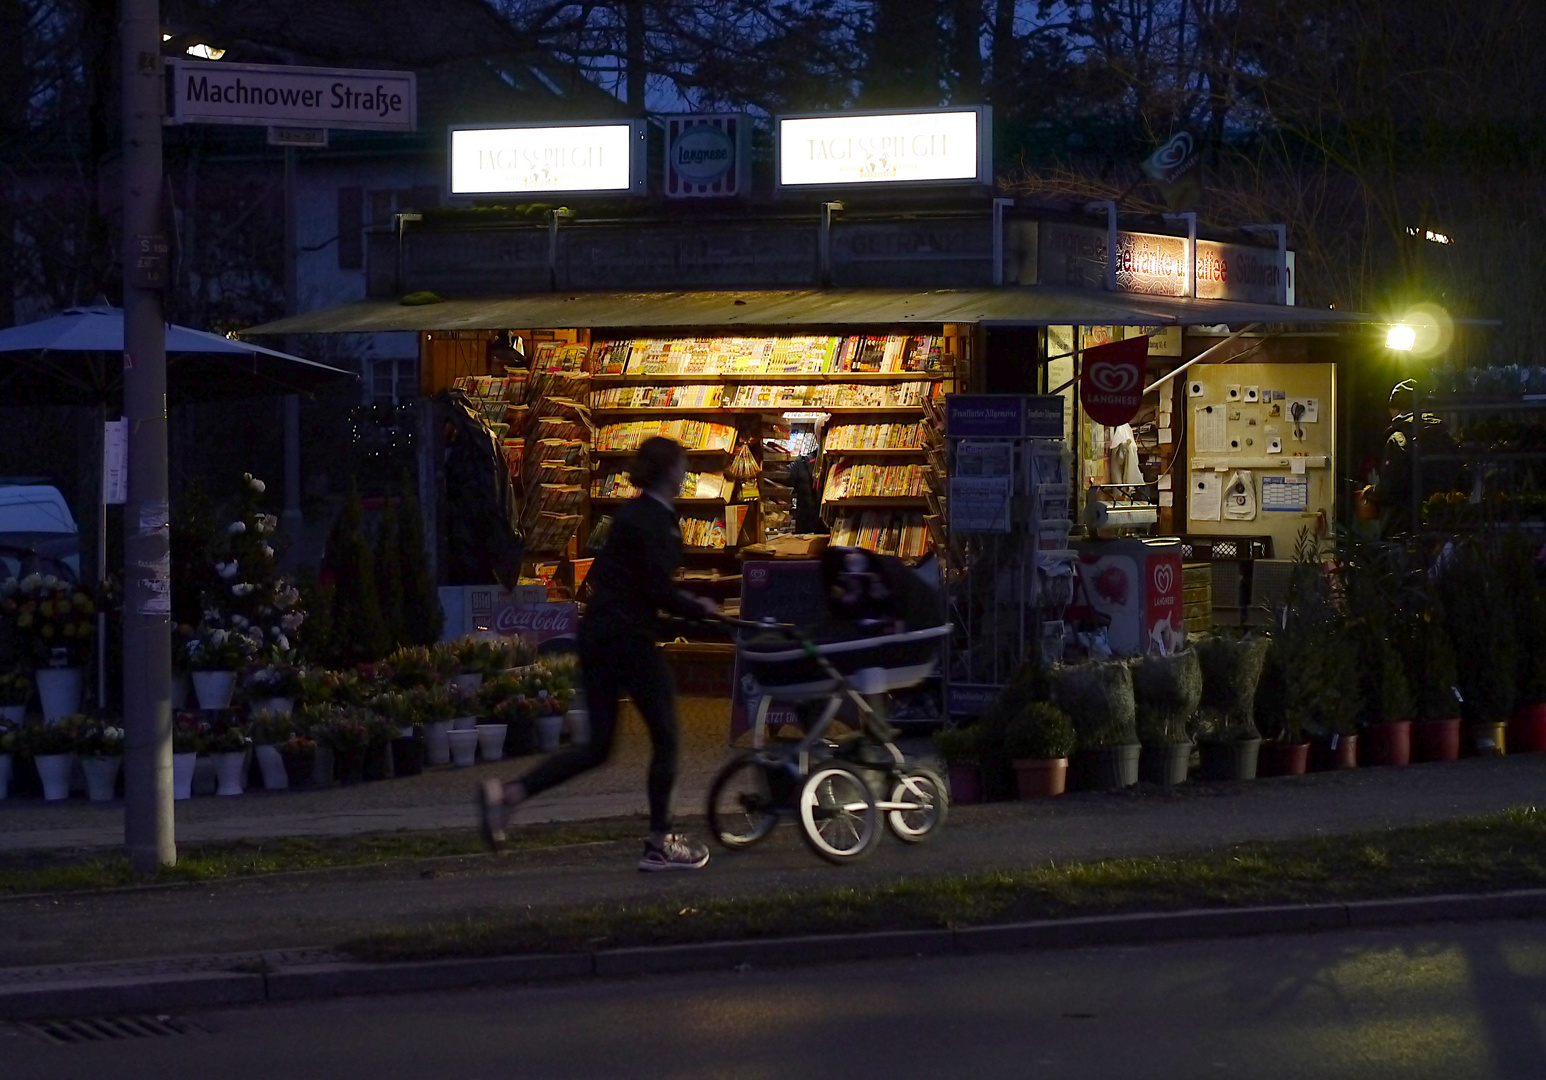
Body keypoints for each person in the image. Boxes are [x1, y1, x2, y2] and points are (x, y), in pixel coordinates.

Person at [477, 437, 719, 871]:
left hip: (599, 638)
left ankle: (510, 795)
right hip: (632, 641)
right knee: (667, 738)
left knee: (598, 746)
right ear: (670, 471)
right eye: (682, 466)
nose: (685, 473)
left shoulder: (625, 516)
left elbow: (613, 578)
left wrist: (674, 611)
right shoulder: (661, 521)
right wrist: (698, 609)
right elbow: (658, 590)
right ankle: (660, 843)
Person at [1366, 379, 1463, 533]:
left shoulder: (1399, 439)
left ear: (1394, 409)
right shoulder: (1444, 435)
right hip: (1444, 518)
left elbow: (1391, 486)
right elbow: (1460, 472)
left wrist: (1371, 492)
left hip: (1405, 524)